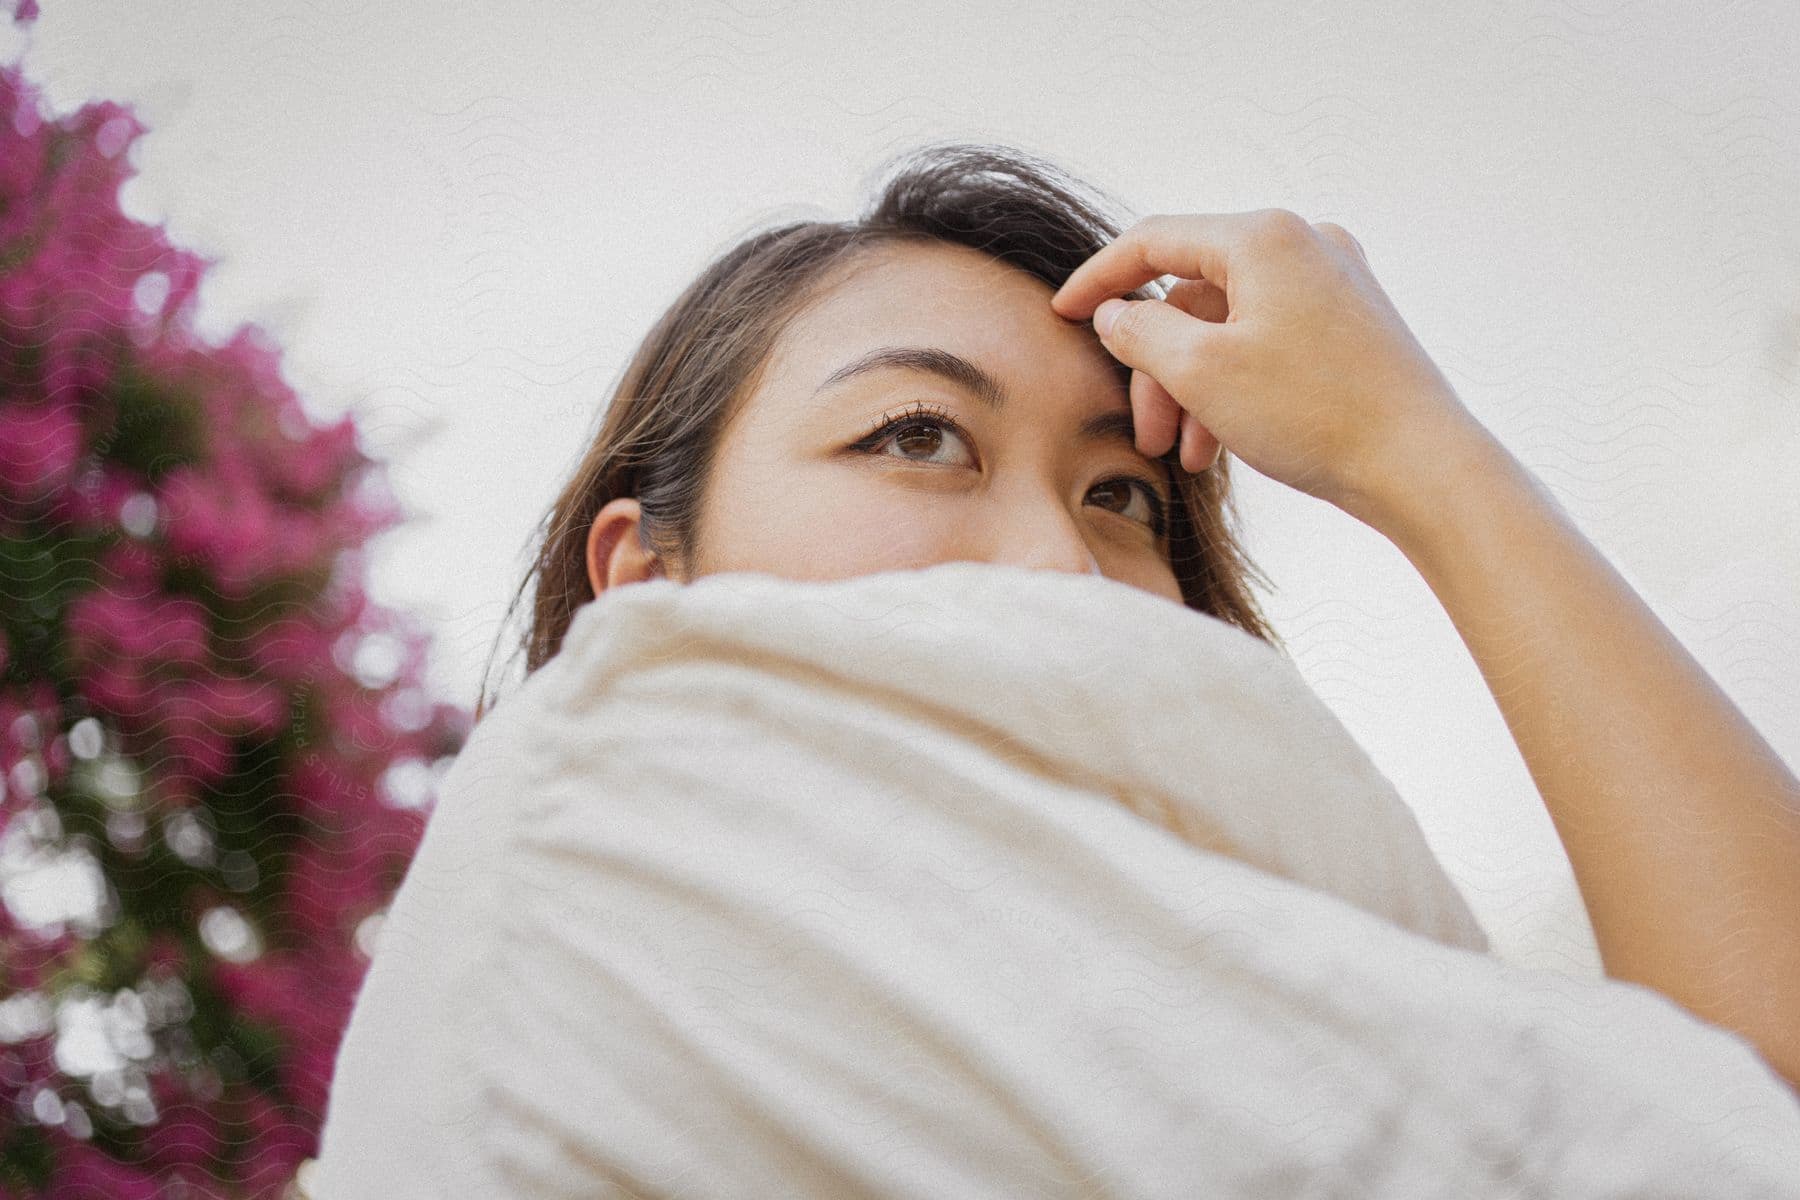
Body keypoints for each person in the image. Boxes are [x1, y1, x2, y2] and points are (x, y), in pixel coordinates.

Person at [474, 140, 1799, 1100]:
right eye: (916, 435)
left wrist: (1420, 454)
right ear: (643, 582)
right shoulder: (541, 1069)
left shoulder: (1332, 1074)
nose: (1066, 566)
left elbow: (1743, 1126)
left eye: (1121, 494)